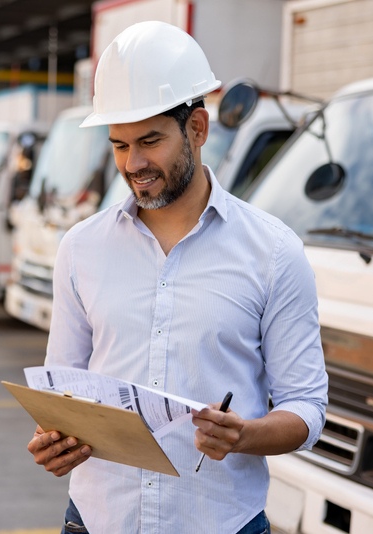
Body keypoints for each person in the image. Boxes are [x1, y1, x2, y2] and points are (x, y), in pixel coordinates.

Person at [25, 21, 328, 534]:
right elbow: (64, 391)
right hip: (98, 519)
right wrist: (56, 439)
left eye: (149, 141)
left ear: (198, 130)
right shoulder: (81, 248)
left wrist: (245, 436)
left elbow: (307, 407)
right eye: (119, 145)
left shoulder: (274, 253)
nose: (134, 164)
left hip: (219, 522)